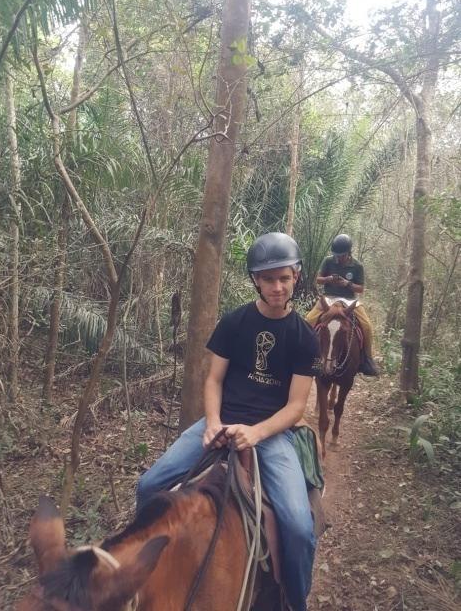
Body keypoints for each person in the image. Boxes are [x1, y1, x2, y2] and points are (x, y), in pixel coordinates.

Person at [136, 232, 320, 611]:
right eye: (268, 279)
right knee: (148, 484)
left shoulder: (304, 336)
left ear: (296, 277)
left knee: (300, 527)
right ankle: (142, 575)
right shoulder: (235, 322)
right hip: (221, 422)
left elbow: (296, 407)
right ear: (256, 279)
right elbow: (214, 380)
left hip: (270, 434)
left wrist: (255, 433)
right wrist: (213, 423)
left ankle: (295, 602)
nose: (277, 286)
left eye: (284, 278)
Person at [305, 233, 379, 376]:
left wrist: (347, 283)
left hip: (349, 300)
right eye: (336, 255)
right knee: (309, 319)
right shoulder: (328, 261)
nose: (338, 258)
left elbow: (360, 289)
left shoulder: (357, 266)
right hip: (329, 298)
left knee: (367, 325)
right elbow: (318, 280)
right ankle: (308, 354)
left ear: (349, 253)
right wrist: (329, 279)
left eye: (342, 255)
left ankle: (367, 359)